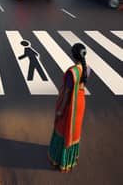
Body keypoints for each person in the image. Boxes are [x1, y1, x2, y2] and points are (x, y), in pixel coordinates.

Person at [47, 43, 90, 173]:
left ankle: (58, 159)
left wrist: (60, 110)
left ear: (73, 55)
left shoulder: (72, 72)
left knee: (62, 129)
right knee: (74, 130)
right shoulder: (87, 68)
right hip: (81, 102)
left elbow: (67, 93)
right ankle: (71, 159)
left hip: (71, 104)